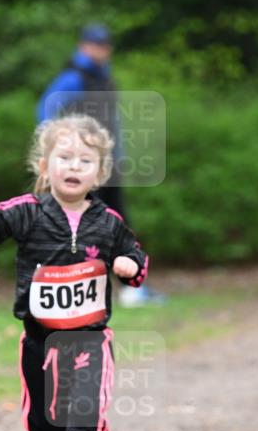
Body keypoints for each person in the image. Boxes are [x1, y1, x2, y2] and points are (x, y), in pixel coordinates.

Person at [0, 114, 149, 431]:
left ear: (100, 174)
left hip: (90, 337)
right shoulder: (29, 211)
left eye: (85, 160)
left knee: (86, 410)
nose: (74, 166)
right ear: (45, 166)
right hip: (39, 339)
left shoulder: (108, 222)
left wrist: (130, 267)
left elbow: (135, 254)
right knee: (43, 421)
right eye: (65, 157)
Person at [37, 23, 164, 308]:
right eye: (96, 44)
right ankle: (71, 289)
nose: (101, 50)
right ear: (83, 45)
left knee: (117, 225)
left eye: (105, 45)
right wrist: (60, 153)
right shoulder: (73, 78)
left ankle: (130, 288)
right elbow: (46, 111)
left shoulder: (104, 77)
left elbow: (113, 122)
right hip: (84, 168)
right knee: (80, 228)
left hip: (107, 165)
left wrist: (118, 155)